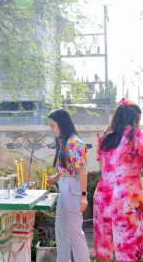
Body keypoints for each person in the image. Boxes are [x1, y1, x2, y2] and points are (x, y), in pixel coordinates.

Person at [93, 99, 143, 262]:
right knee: (128, 251)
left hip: (104, 197)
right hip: (128, 199)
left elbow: (104, 169)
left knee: (103, 250)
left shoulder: (104, 137)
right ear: (136, 118)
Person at [46, 108, 90, 262]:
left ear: (61, 124)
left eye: (52, 125)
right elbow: (67, 167)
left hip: (72, 190)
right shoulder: (64, 141)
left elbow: (82, 171)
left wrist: (83, 197)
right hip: (64, 187)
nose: (51, 129)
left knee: (75, 234)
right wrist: (56, 177)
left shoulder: (75, 143)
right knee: (61, 231)